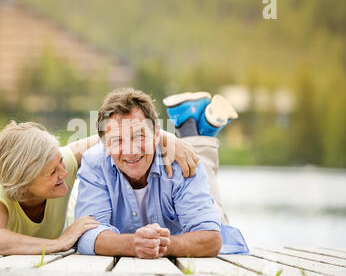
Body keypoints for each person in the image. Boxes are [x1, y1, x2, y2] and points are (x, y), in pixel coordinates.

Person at [0, 119, 199, 255]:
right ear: (23, 184)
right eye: (52, 173)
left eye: (60, 161)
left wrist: (169, 139)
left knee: (191, 168)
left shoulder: (63, 162)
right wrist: (58, 243)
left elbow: (116, 135)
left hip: (97, 231)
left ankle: (191, 129)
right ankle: (195, 127)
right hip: (74, 241)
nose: (65, 172)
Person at [75, 88, 249, 258]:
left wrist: (163, 245)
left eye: (139, 136)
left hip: (197, 241)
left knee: (201, 166)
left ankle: (194, 124)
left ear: (157, 133)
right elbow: (87, 236)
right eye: (117, 140)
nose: (130, 151)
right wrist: (134, 243)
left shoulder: (180, 159)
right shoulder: (94, 163)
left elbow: (210, 239)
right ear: (104, 144)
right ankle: (197, 124)